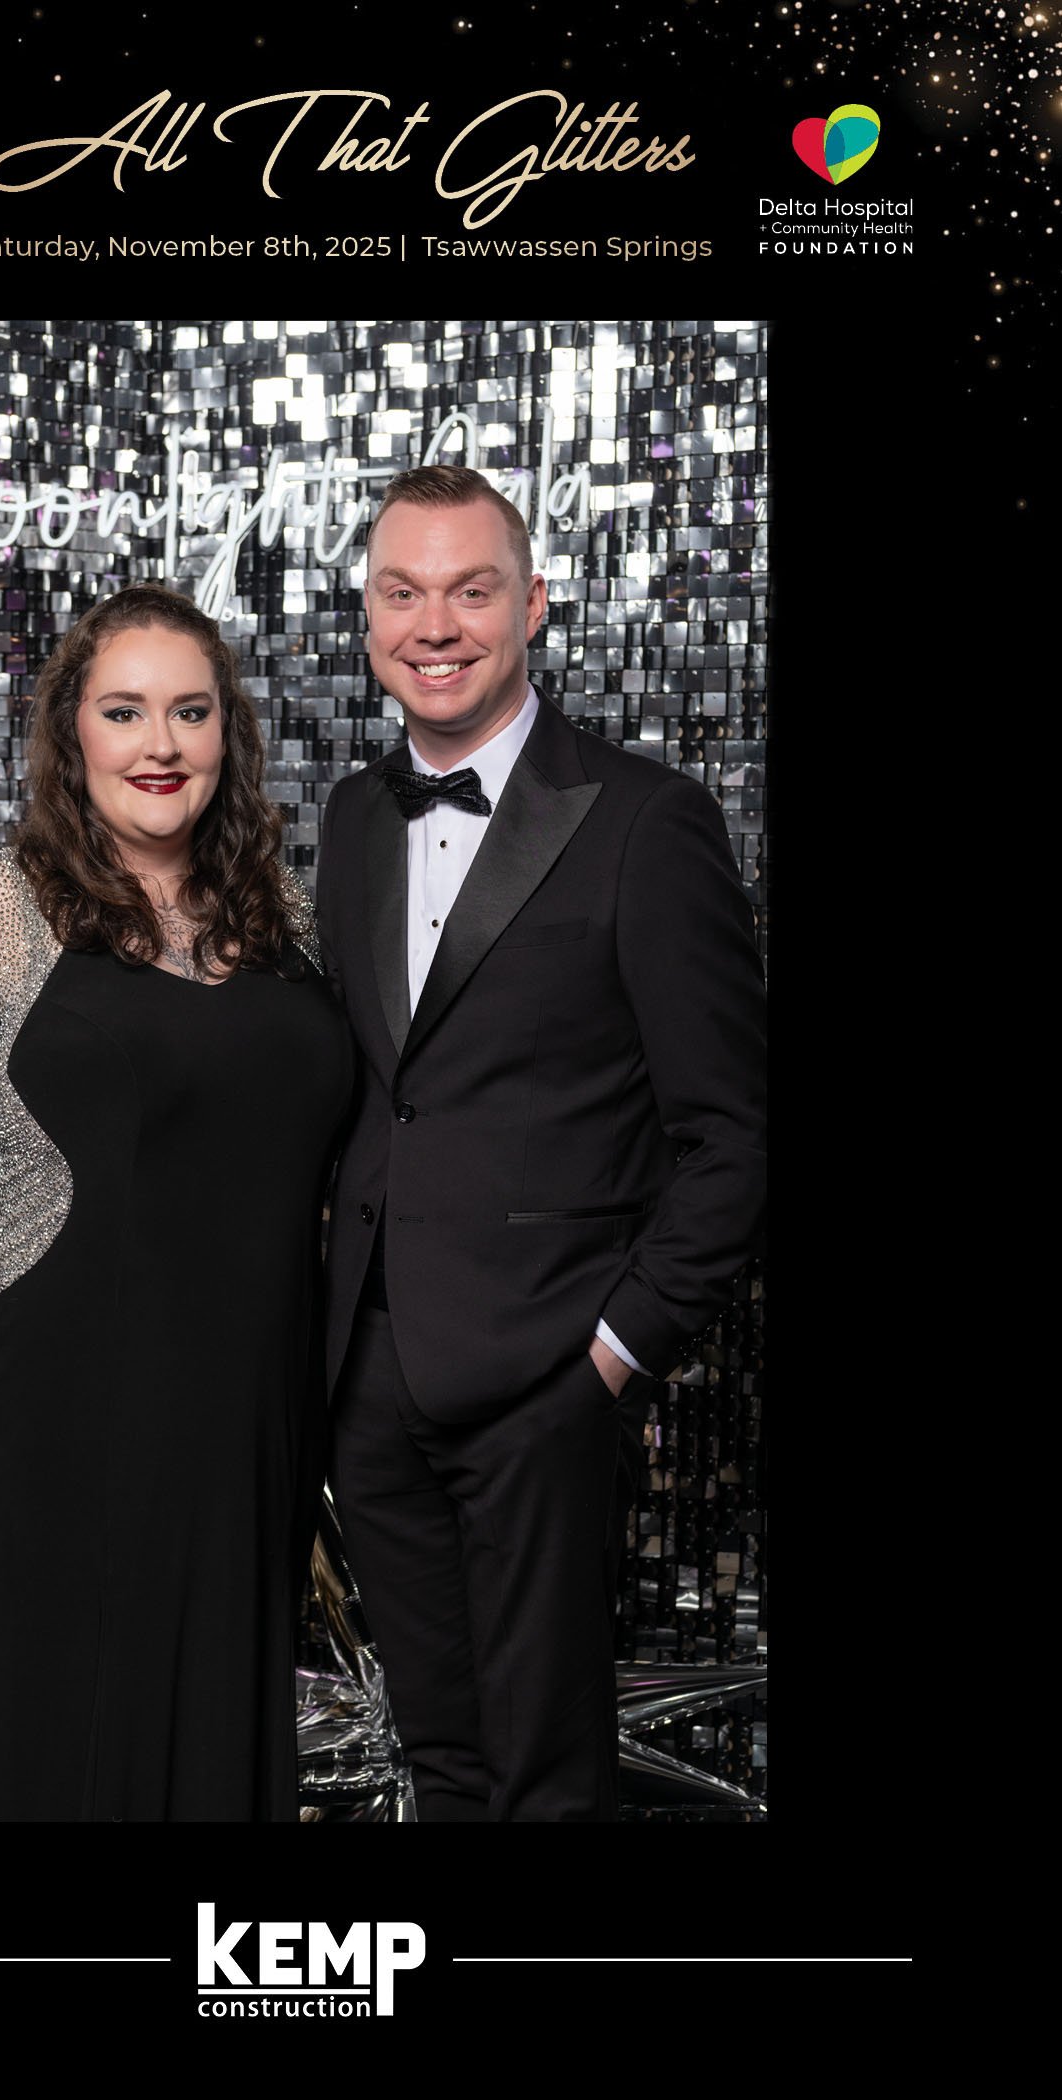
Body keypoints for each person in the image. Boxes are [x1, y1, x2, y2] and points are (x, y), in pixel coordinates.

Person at [315, 465, 767, 1823]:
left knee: (548, 1787)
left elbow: (735, 1137)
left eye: (472, 590)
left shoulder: (645, 821)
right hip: (370, 1377)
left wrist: (612, 1356)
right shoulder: (351, 818)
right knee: (438, 1769)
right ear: (367, 617)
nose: (434, 625)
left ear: (536, 605)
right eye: (403, 592)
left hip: (546, 1380)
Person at [0, 583, 353, 1822]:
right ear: (70, 733)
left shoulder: (285, 919)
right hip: (58, 1427)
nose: (160, 744)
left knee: (220, 1753)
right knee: (62, 1754)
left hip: (250, 1435)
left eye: (191, 711)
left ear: (228, 734)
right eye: (125, 711)